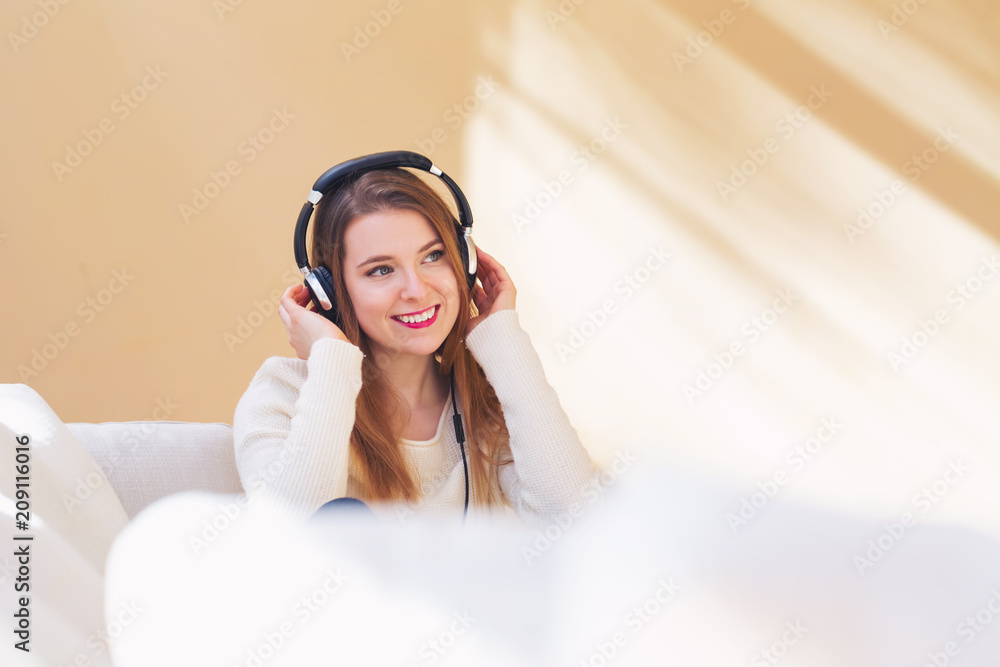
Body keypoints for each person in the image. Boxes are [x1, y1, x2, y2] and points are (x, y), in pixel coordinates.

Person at [232, 167, 598, 525]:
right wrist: (330, 360)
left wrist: (503, 340)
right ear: (330, 293)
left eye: (433, 256)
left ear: (464, 263)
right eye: (380, 270)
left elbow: (579, 523)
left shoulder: (485, 402)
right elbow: (288, 534)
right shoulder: (282, 394)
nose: (417, 290)